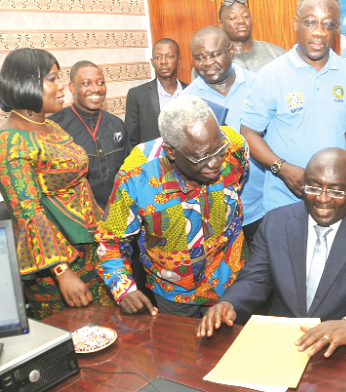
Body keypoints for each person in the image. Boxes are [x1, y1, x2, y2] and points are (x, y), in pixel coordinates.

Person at [198, 148, 346, 356]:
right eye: (314, 188)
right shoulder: (276, 222)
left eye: (336, 191)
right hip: (281, 344)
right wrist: (229, 303)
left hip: (341, 349)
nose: (323, 199)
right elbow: (254, 279)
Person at [96, 96, 249, 318]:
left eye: (218, 149)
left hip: (229, 279)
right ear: (171, 152)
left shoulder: (235, 147)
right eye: (202, 157)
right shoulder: (136, 175)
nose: (216, 162)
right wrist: (123, 289)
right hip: (173, 292)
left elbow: (238, 184)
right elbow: (111, 240)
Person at [0, 48, 115, 319]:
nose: (62, 85)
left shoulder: (51, 126)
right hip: (57, 266)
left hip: (90, 249)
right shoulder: (11, 141)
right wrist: (63, 273)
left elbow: (78, 186)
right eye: (52, 78)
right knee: (80, 338)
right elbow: (28, 213)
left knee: (110, 330)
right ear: (26, 84)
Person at [241, 0, 346, 214]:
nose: (319, 32)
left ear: (337, 29)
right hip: (284, 202)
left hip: (335, 203)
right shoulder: (270, 75)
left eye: (328, 24)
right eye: (310, 22)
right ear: (296, 23)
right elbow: (248, 133)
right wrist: (282, 168)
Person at [183, 26, 264, 245]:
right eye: (199, 57)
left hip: (263, 207)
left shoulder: (259, 85)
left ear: (230, 51)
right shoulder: (186, 100)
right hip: (215, 218)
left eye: (214, 54)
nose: (207, 63)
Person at [49, 61, 131, 210]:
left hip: (119, 216)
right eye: (86, 83)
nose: (96, 89)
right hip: (79, 220)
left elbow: (130, 173)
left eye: (101, 83)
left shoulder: (116, 124)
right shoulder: (55, 127)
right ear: (72, 87)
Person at [191, 0, 286, 81]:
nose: (241, 21)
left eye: (245, 16)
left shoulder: (277, 54)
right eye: (233, 18)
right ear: (221, 25)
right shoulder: (208, 65)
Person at [125, 38, 188, 147]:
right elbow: (131, 141)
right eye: (158, 57)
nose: (163, 61)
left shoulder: (192, 92)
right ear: (152, 62)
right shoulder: (137, 95)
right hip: (153, 162)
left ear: (179, 60)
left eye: (169, 56)